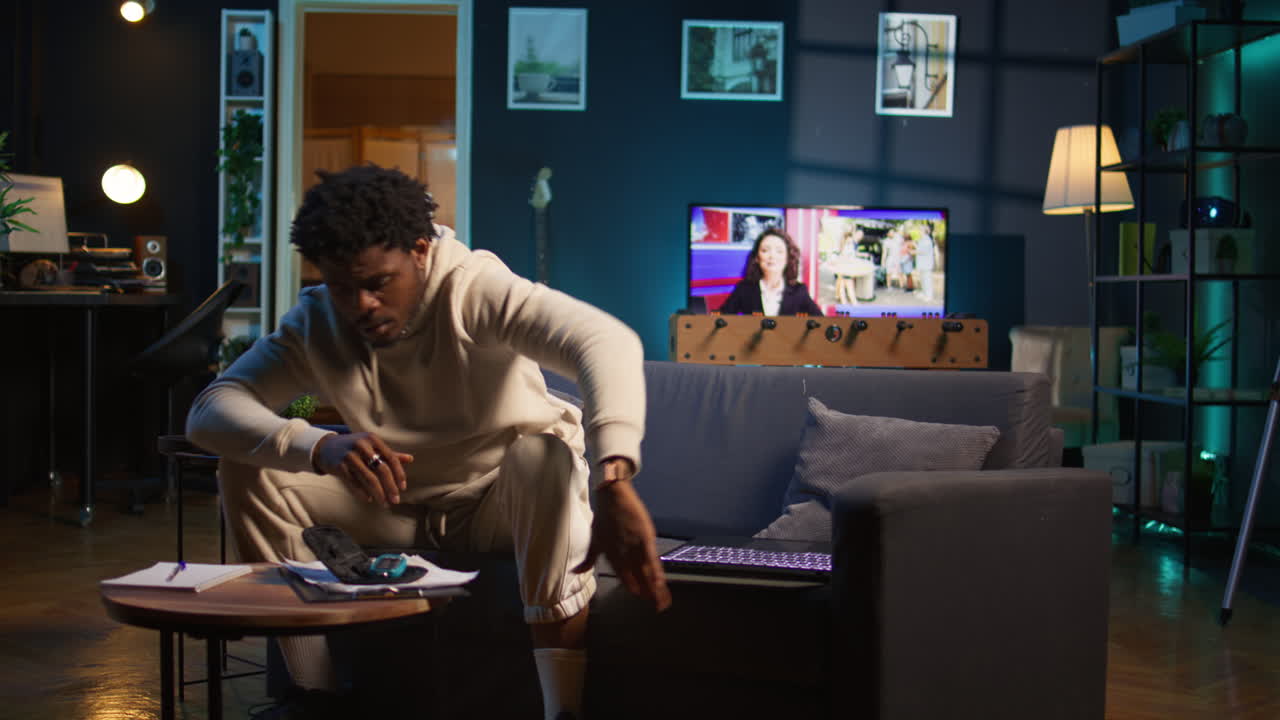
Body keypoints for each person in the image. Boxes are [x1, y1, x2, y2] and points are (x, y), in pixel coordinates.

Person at [186, 165, 671, 720]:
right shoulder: (318, 320)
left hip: (500, 506)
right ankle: (313, 698)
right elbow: (210, 408)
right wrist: (319, 446)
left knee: (542, 454)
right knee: (248, 468)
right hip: (397, 504)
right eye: (344, 288)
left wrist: (614, 477)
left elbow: (602, 339)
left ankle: (563, 711)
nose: (361, 305)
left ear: (419, 251)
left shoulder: (473, 288)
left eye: (377, 283)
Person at [716, 228, 824, 316]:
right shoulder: (744, 289)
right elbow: (721, 318)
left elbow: (821, 323)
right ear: (757, 258)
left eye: (779, 251)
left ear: (788, 258)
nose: (772, 256)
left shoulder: (799, 291)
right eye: (765, 250)